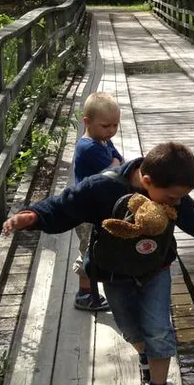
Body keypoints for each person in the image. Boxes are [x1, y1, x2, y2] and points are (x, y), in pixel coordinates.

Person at [2, 141, 194, 385]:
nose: (178, 202)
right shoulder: (102, 187)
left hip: (156, 270)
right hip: (114, 274)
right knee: (132, 331)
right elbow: (65, 206)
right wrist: (34, 216)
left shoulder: (174, 194)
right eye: (173, 197)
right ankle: (145, 355)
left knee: (159, 331)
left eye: (181, 197)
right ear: (146, 181)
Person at [72, 91, 124, 313]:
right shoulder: (89, 147)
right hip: (86, 211)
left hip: (96, 207)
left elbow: (118, 163)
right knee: (89, 251)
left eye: (115, 125)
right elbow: (115, 170)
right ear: (87, 122)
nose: (111, 131)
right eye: (106, 126)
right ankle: (86, 294)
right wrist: (114, 165)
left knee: (94, 249)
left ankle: (91, 290)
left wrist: (115, 164)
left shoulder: (102, 140)